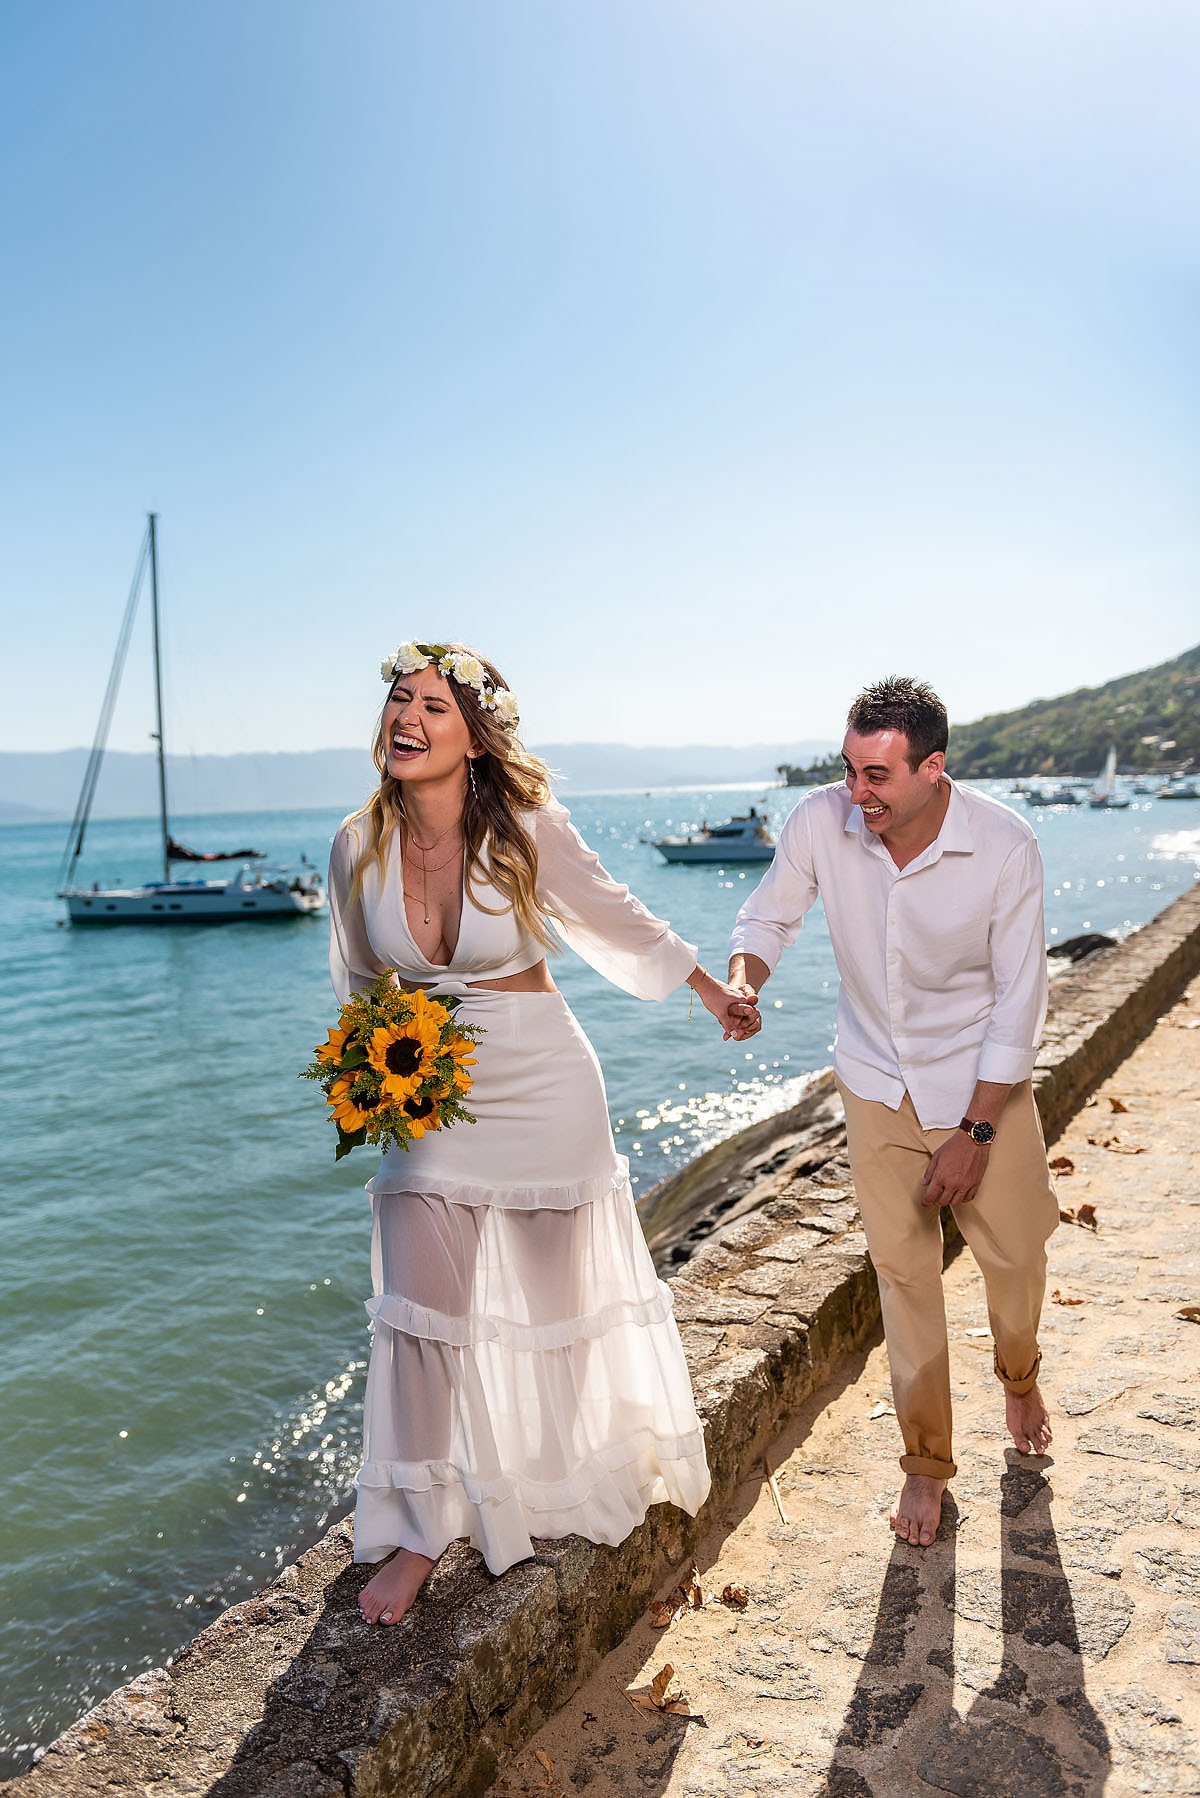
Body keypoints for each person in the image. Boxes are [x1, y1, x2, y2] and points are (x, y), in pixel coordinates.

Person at [328, 641, 758, 1624]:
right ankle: (419, 1531)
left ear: (475, 738)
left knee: (563, 1309)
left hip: (545, 1077)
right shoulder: (355, 843)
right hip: (426, 1092)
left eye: (434, 706)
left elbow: (616, 916)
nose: (408, 717)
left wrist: (709, 990)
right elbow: (359, 980)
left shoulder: (525, 825)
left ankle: (559, 1482)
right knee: (419, 1316)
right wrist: (370, 1075)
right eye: (400, 700)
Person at [728, 676, 1057, 1549]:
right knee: (905, 1279)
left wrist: (976, 1135)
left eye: (876, 776)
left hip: (981, 1087)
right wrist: (742, 982)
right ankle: (925, 1461)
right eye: (849, 770)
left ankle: (1018, 1373)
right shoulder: (819, 823)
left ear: (932, 767)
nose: (855, 793)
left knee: (1017, 1256)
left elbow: (1020, 1004)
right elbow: (768, 920)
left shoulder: (1003, 845)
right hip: (875, 1084)